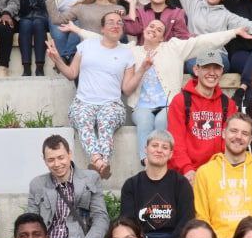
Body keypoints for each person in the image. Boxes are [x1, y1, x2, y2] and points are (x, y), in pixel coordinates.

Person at [67, 17, 241, 162]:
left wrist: (233, 33)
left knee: (162, 121)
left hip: (168, 104)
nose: (154, 30)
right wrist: (78, 30)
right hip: (141, 105)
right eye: (151, 26)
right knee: (144, 121)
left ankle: (162, 159)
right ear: (144, 30)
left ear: (162, 38)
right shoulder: (131, 51)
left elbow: (202, 42)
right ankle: (146, 161)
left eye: (159, 30)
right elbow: (104, 39)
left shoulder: (173, 49)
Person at [45, 12, 133, 179]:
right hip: (83, 102)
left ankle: (98, 163)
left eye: (119, 23)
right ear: (102, 28)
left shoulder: (127, 53)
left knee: (106, 122)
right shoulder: (86, 45)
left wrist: (142, 69)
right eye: (111, 22)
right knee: (82, 119)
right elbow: (71, 73)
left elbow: (127, 89)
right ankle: (101, 163)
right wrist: (57, 58)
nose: (115, 25)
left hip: (112, 104)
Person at [26, 134, 110, 238]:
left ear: (69, 154)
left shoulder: (90, 178)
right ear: (44, 160)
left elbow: (101, 218)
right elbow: (30, 223)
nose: (57, 164)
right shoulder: (37, 184)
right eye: (51, 160)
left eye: (61, 157)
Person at [193, 114, 252, 238]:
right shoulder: (204, 172)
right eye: (234, 131)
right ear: (224, 133)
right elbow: (201, 217)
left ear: (250, 139)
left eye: (245, 133)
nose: (238, 136)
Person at [120, 131, 194, 238]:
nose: (159, 150)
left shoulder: (181, 184)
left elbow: (186, 223)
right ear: (146, 149)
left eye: (165, 147)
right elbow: (128, 224)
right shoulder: (131, 185)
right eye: (154, 145)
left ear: (170, 154)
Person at [166, 51, 238, 180]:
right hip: (186, 172)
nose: (212, 73)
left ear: (222, 71)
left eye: (216, 68)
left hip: (216, 172)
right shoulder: (181, 101)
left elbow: (227, 144)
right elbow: (176, 142)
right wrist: (187, 169)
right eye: (206, 67)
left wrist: (219, 171)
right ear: (196, 70)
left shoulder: (228, 104)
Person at [14, 0, 54, 76]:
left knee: (38, 23)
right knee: (25, 24)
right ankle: (26, 68)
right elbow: (24, 10)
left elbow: (44, 4)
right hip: (26, 16)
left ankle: (40, 67)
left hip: (42, 15)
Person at [123, 0, 191, 46]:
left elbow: (183, 37)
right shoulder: (140, 12)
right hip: (145, 51)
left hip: (168, 51)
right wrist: (131, 6)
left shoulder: (177, 13)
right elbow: (133, 30)